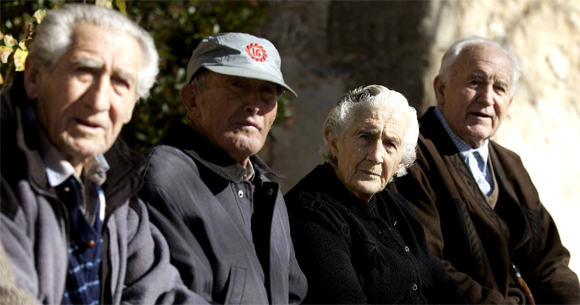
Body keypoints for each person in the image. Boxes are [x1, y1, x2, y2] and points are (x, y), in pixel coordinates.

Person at [0, 4, 208, 305]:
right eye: (83, 71)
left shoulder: (114, 185)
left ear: (131, 107)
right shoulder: (8, 177)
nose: (99, 101)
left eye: (120, 83)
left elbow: (161, 295)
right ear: (33, 77)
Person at [390, 36, 580, 304]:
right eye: (475, 82)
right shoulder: (412, 155)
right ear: (441, 90)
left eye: (500, 88)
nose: (487, 98)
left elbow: (549, 260)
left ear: (509, 103)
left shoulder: (510, 164)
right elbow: (427, 263)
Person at [139, 32, 308, 304]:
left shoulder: (266, 191)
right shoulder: (163, 180)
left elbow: (293, 294)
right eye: (237, 84)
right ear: (192, 100)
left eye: (266, 91)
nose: (254, 105)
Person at [284, 85, 466, 304]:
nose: (376, 155)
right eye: (365, 136)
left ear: (401, 162)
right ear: (334, 142)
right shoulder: (311, 213)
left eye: (390, 144)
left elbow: (445, 288)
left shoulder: (396, 205)